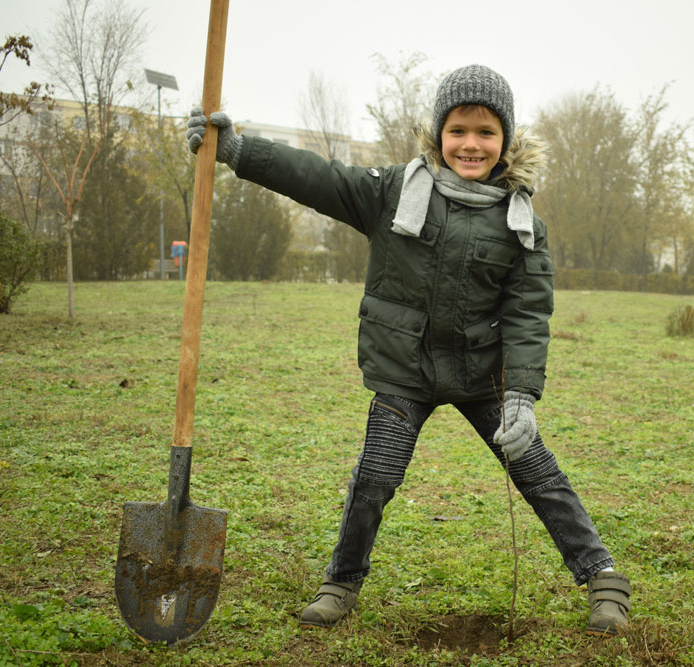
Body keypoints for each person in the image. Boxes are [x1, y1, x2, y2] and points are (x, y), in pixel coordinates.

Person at [187, 64, 630, 635]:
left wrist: (520, 396)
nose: (471, 144)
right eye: (458, 130)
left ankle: (603, 579)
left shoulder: (522, 224)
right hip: (406, 372)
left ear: (506, 139)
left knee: (538, 473)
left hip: (483, 376)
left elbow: (528, 315)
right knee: (374, 477)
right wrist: (238, 150)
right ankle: (341, 582)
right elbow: (318, 178)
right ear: (438, 133)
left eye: (486, 132)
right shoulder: (391, 192)